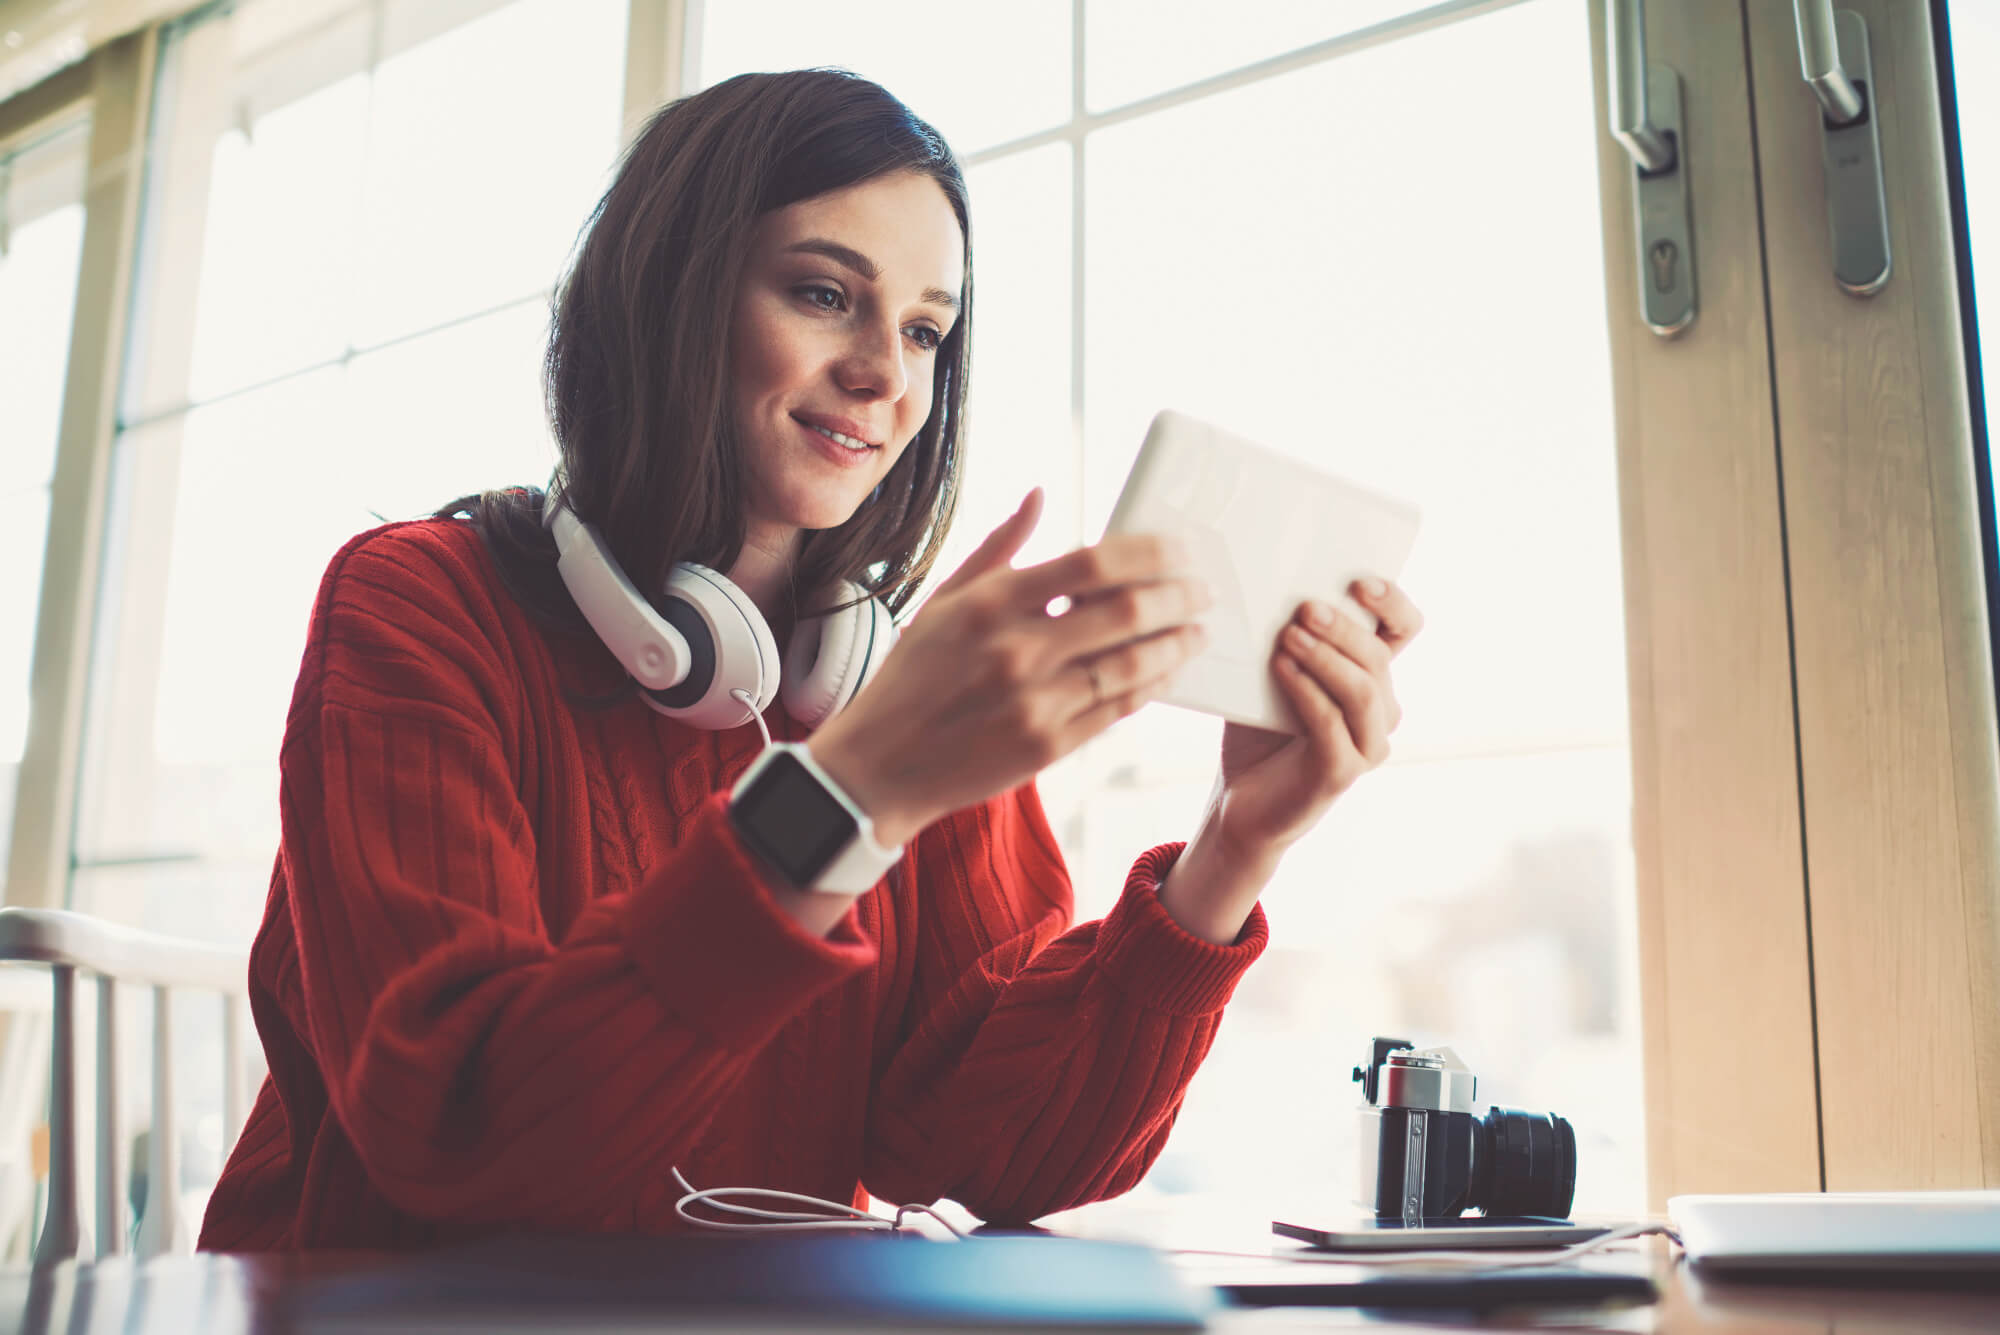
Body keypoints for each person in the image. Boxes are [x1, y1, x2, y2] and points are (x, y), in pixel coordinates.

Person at [197, 68, 1423, 1252]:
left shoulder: (897, 692)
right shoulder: (420, 605)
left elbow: (993, 1159)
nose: (886, 375)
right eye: (825, 293)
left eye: (927, 330)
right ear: (674, 294)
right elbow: (463, 1135)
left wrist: (1234, 845)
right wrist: (854, 796)